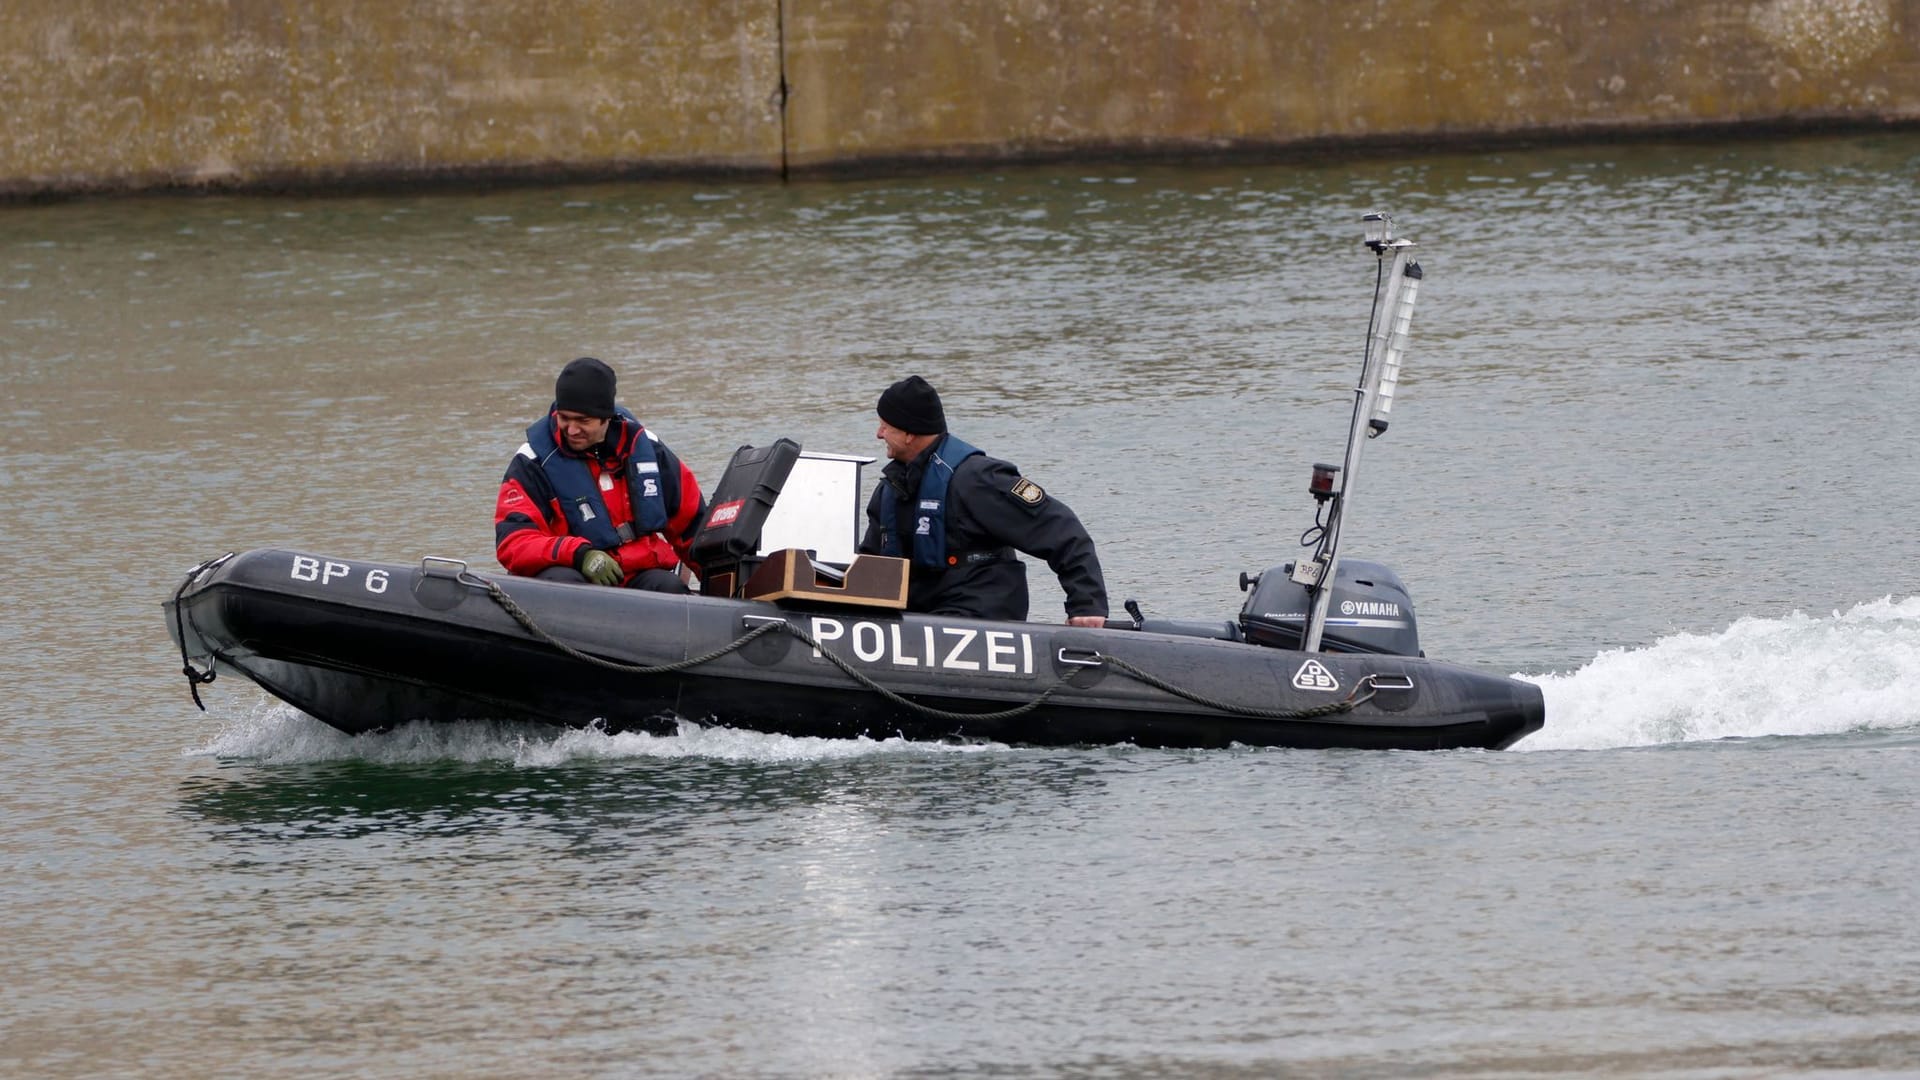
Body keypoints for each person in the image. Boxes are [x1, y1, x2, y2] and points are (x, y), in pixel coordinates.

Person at [858, 375, 1108, 626]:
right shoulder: (891, 488)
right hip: (923, 616)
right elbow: (870, 562)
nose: (879, 434)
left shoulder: (977, 480)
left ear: (910, 433)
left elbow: (1061, 530)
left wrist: (1087, 603)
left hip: (979, 616)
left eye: (885, 426)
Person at [495, 356, 706, 592]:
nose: (572, 430)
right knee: (564, 586)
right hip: (566, 572)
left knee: (669, 588)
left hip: (635, 571)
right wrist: (580, 555)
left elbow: (692, 526)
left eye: (583, 421)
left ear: (606, 417)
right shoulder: (532, 461)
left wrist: (723, 586)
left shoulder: (647, 449)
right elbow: (513, 542)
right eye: (564, 418)